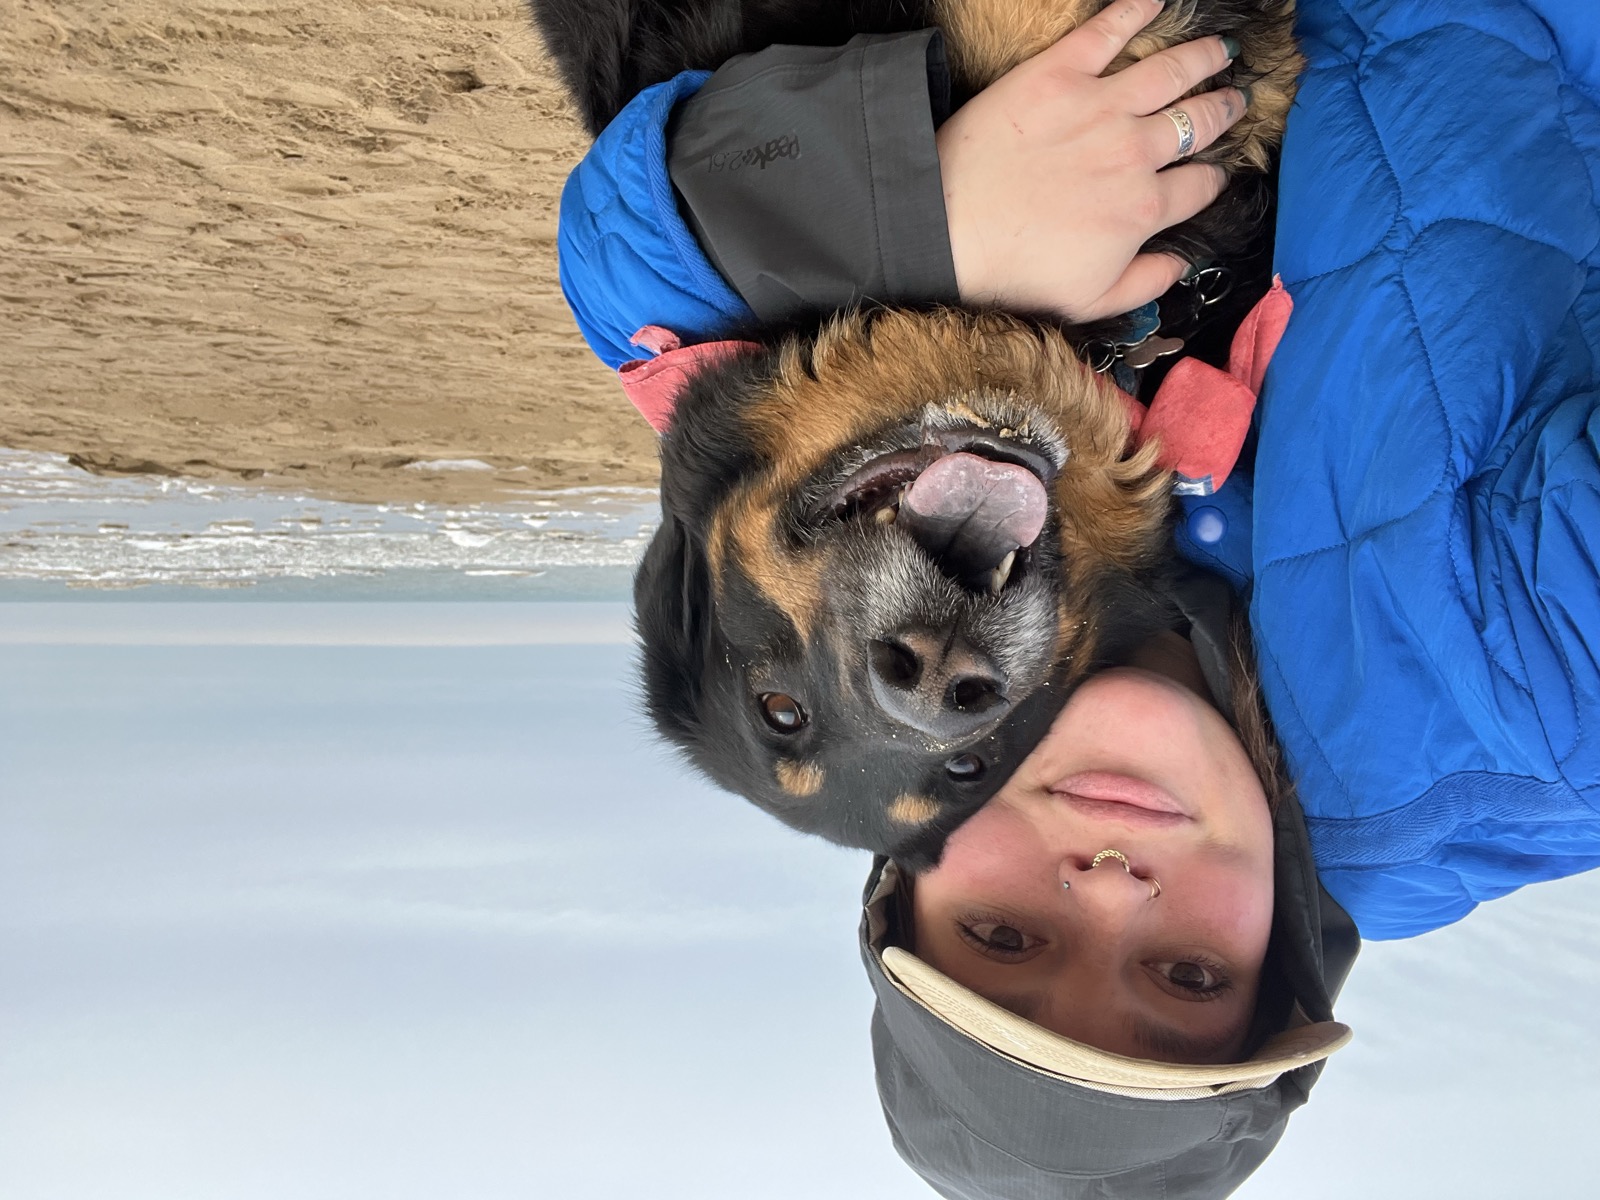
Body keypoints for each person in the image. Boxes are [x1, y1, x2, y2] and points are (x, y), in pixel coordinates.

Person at [552, 0, 1600, 1193]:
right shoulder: (1534, 705)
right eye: (1188, 975)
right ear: (1285, 958)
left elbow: (631, 269)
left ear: (910, 865)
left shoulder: (983, 542)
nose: (1108, 891)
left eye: (1006, 937)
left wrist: (913, 211)